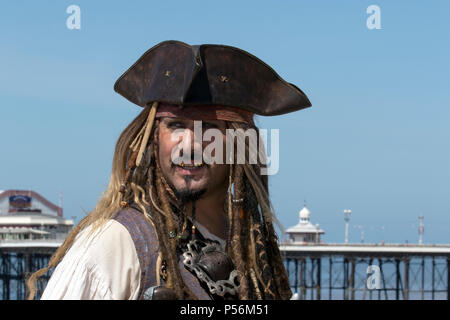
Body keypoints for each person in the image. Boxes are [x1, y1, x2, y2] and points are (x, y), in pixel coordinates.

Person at [27, 40, 311, 300]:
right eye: (175, 125)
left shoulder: (250, 245)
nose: (188, 145)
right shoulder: (115, 244)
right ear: (154, 136)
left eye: (209, 128)